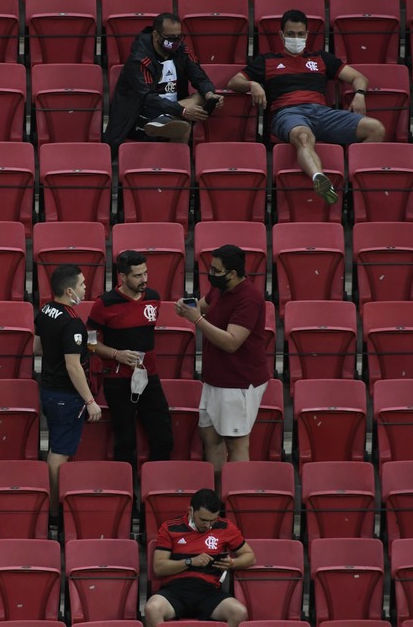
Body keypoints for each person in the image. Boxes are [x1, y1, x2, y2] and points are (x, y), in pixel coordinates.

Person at [227, 9, 385, 204]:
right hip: (288, 114)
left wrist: (360, 94)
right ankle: (320, 179)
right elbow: (234, 82)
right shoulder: (267, 60)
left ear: (307, 35)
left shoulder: (321, 59)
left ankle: (354, 187)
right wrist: (252, 84)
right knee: (303, 136)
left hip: (322, 113)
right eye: (291, 34)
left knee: (376, 129)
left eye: (301, 34)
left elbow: (358, 77)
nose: (296, 38)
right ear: (281, 35)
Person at [176, 244, 269, 476]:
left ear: (233, 274)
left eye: (217, 271)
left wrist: (196, 320)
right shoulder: (220, 289)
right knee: (210, 436)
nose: (212, 275)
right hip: (214, 379)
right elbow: (203, 306)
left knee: (236, 443)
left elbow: (231, 342)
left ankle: (238, 500)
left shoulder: (249, 298)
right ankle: (216, 498)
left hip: (238, 382)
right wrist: (188, 307)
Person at [87, 250, 173, 469]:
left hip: (149, 378)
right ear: (122, 277)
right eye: (137, 275)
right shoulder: (104, 304)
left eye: (145, 273)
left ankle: (156, 487)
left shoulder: (153, 297)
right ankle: (127, 494)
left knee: (163, 437)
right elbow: (89, 343)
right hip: (118, 381)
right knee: (125, 441)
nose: (144, 279)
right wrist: (118, 355)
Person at [34, 264, 103, 517]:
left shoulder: (45, 310)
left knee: (55, 446)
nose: (86, 289)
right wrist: (90, 401)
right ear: (69, 290)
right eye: (83, 284)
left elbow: (37, 347)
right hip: (66, 396)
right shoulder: (72, 322)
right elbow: (73, 366)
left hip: (49, 390)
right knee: (59, 454)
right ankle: (53, 510)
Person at [104, 12, 223, 152]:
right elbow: (148, 98)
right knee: (184, 123)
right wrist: (182, 111)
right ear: (156, 35)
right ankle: (176, 168)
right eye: (170, 38)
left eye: (179, 37)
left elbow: (200, 78)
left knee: (200, 96)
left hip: (173, 111)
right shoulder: (139, 60)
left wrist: (210, 95)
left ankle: (167, 120)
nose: (175, 42)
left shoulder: (182, 52)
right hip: (142, 117)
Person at [144, 488, 255, 627]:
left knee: (239, 612)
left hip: (208, 592)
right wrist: (190, 561)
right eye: (203, 520)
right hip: (175, 591)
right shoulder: (170, 528)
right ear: (191, 511)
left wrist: (232, 563)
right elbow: (159, 568)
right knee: (151, 609)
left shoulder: (225, 526)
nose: (208, 525)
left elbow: (250, 556)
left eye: (212, 520)